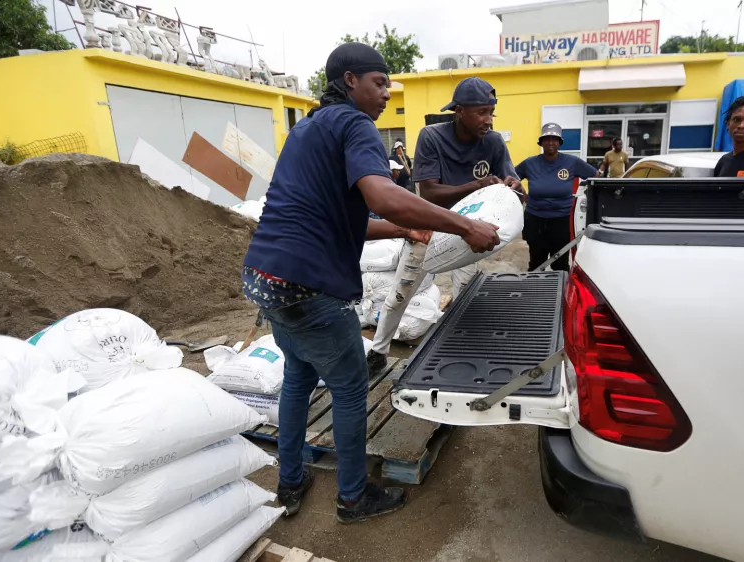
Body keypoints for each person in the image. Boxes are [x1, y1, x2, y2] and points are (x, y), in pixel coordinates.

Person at [241, 43, 500, 524]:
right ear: (349, 82)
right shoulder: (355, 124)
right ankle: (353, 498)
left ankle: (291, 481)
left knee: (298, 378)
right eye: (379, 83)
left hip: (266, 277)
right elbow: (386, 195)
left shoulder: (308, 129)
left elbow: (348, 220)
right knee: (349, 387)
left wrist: (404, 229)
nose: (386, 93)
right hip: (310, 286)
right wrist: (464, 226)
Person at [365, 76, 523, 375]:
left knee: (465, 293)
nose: (488, 120)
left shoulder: (494, 142)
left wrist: (513, 186)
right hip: (427, 227)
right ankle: (379, 350)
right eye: (481, 112)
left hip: (470, 232)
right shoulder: (432, 136)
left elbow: (515, 186)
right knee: (401, 292)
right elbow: (429, 193)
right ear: (459, 110)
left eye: (492, 112)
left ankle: (459, 356)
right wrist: (478, 183)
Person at [515, 123, 596, 271]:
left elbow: (595, 176)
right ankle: (535, 291)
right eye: (547, 139)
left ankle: (560, 293)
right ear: (541, 142)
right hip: (535, 219)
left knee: (560, 263)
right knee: (536, 261)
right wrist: (521, 192)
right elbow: (512, 178)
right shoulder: (530, 163)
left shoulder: (572, 162)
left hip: (562, 220)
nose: (550, 142)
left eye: (554, 139)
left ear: (559, 142)